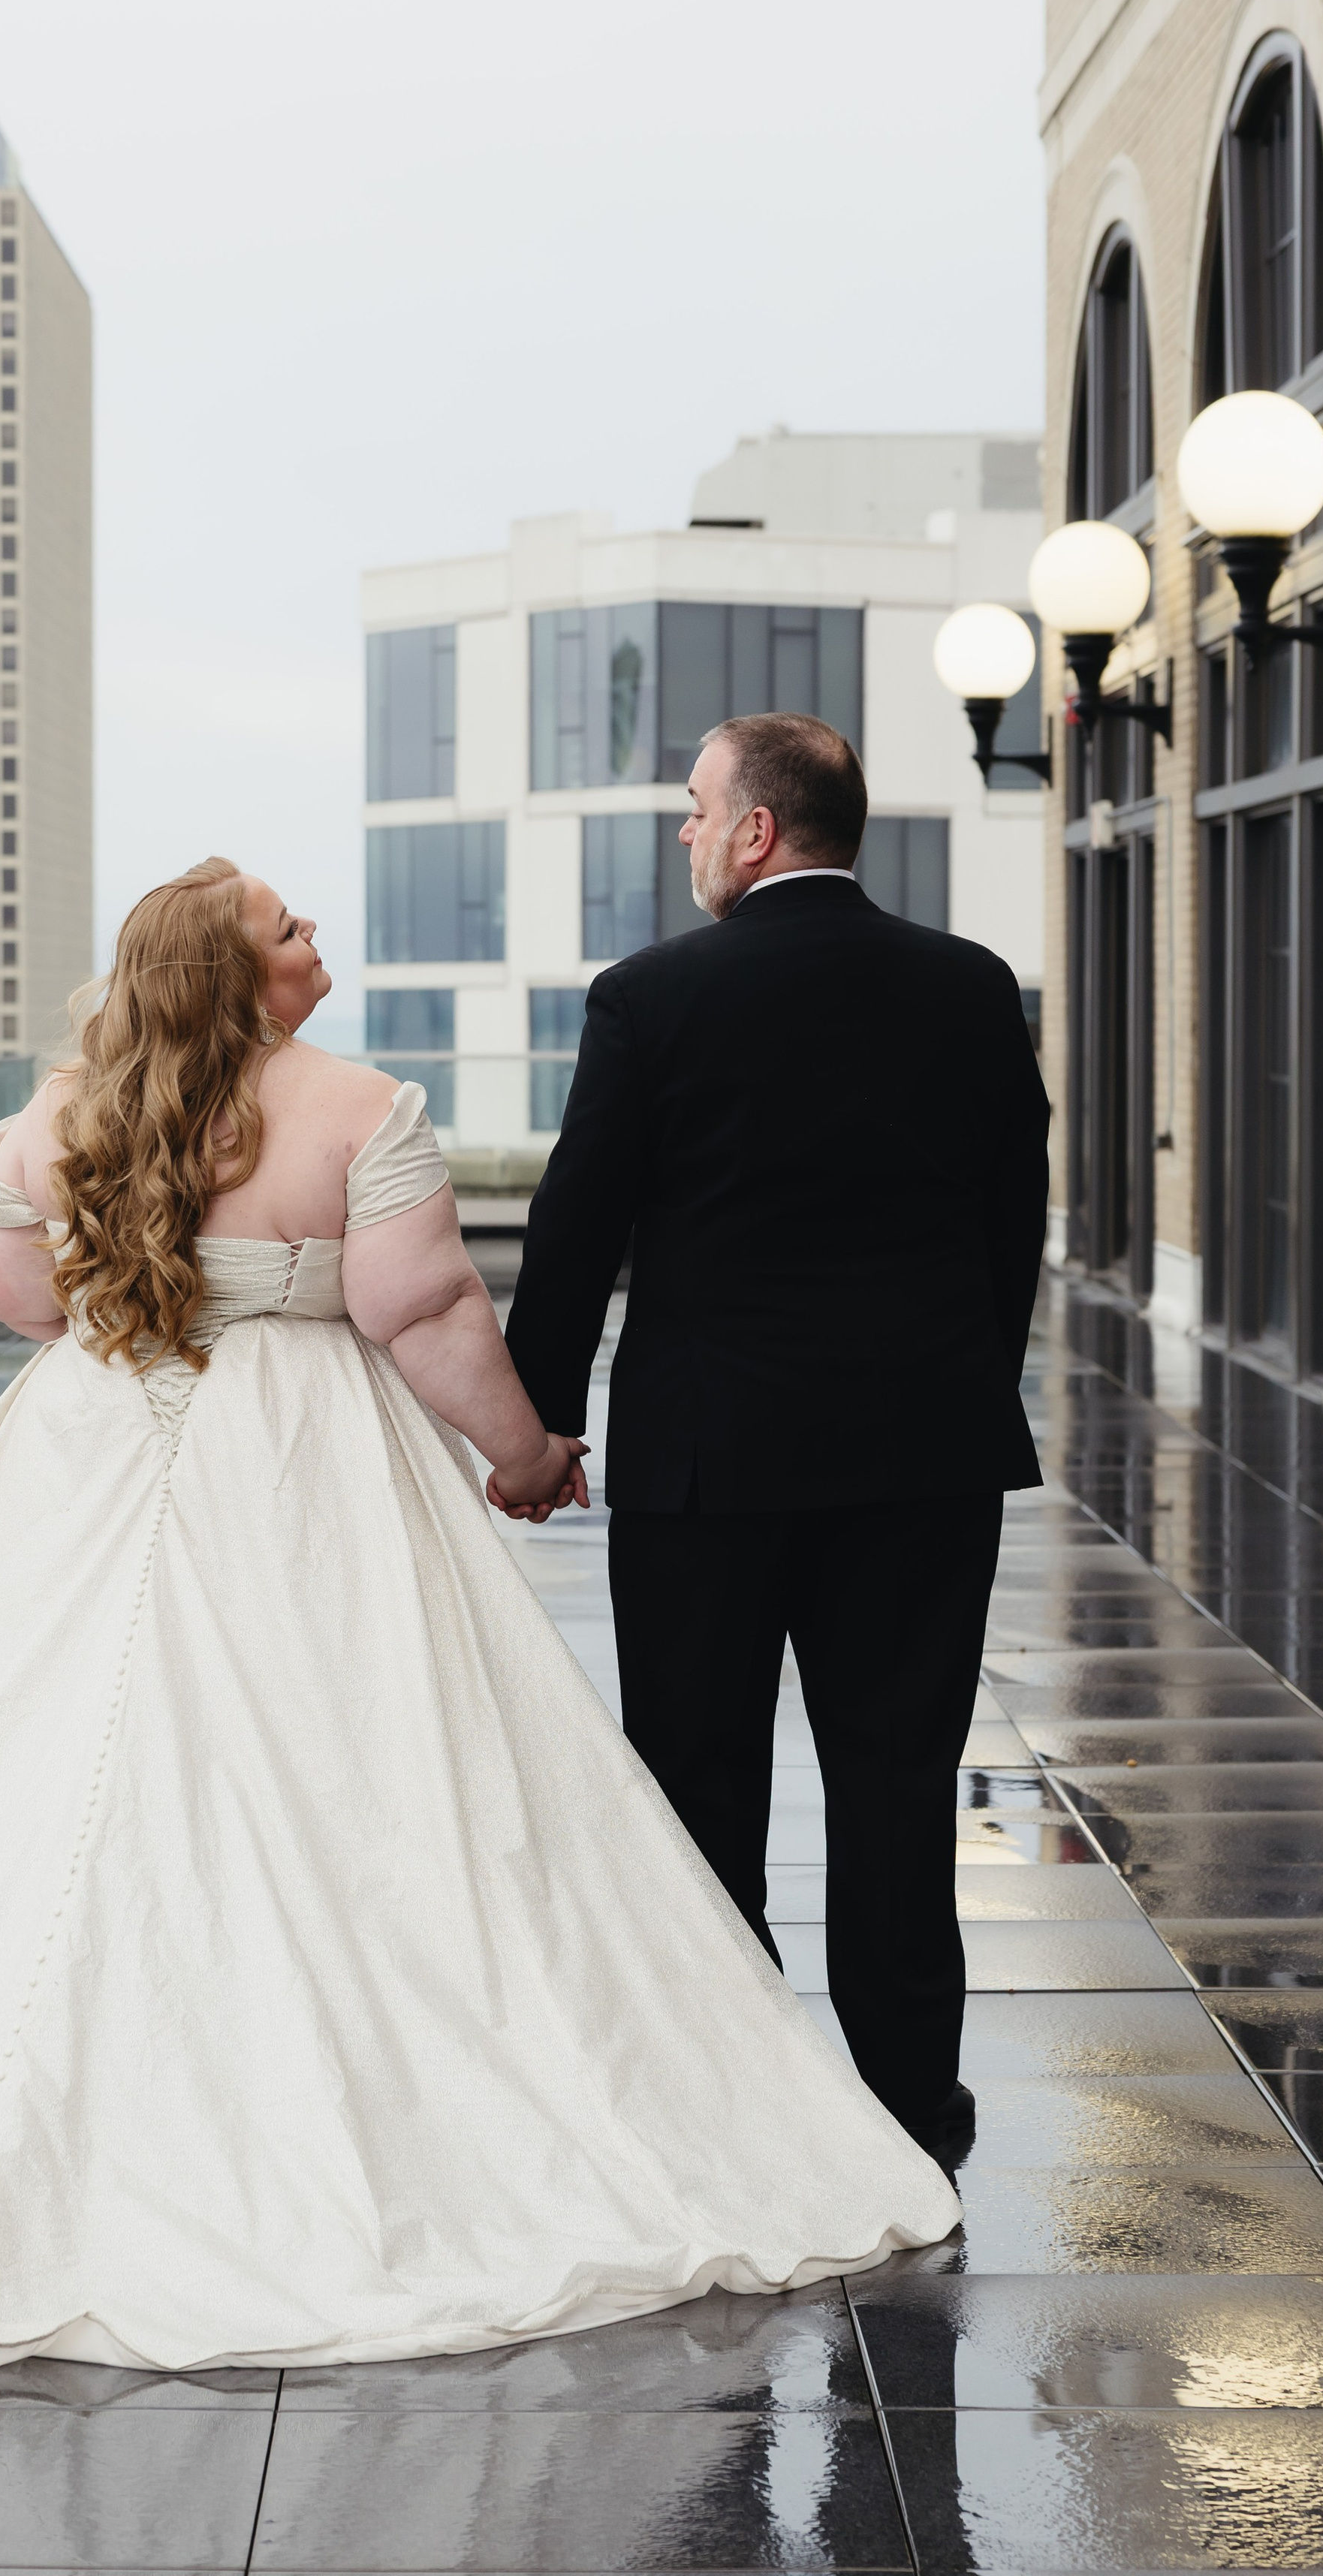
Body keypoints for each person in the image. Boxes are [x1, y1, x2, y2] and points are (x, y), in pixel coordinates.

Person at [0, 856, 958, 2369]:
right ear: (237, 975)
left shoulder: (61, 1112)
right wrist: (521, 1454)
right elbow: (417, 1312)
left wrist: (138, 1313)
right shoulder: (357, 1109)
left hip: (89, 1441)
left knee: (27, 1757)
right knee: (346, 1765)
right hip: (304, 1459)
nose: (313, 933)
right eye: (287, 925)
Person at [500, 716, 1050, 2175]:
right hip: (922, 1466)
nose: (682, 835)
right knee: (892, 1793)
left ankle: (730, 2121)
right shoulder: (968, 987)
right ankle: (909, 2126)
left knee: (695, 1799)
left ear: (753, 831)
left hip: (709, 1470)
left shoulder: (650, 999)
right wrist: (954, 1390)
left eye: (693, 811)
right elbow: (1014, 1226)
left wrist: (534, 1424)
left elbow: (576, 1232)